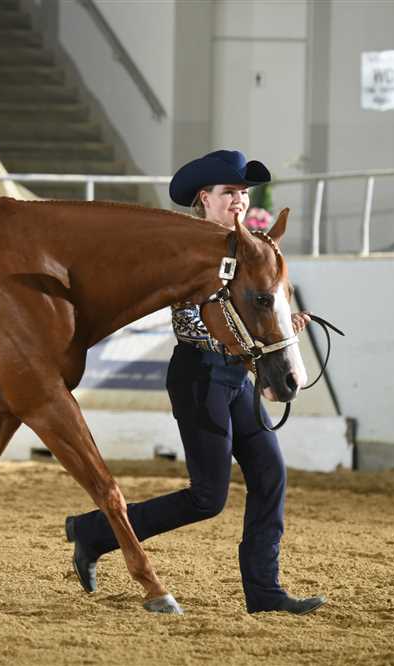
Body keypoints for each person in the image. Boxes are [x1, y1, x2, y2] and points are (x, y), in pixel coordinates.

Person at [63, 149, 326, 615]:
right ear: (205, 198)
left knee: (271, 475)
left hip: (236, 375)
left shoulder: (252, 249)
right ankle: (94, 532)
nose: (239, 200)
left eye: (243, 193)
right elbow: (194, 322)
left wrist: (279, 327)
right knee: (208, 498)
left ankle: (265, 593)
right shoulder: (187, 248)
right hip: (199, 375)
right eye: (229, 192)